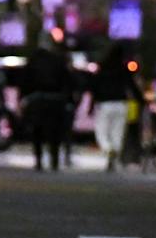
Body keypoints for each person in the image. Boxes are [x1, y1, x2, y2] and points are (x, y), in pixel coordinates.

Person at [21, 37, 76, 172]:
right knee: (54, 131)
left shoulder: (33, 60)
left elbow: (24, 81)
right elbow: (67, 80)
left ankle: (39, 160)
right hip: (55, 99)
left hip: (36, 98)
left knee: (37, 130)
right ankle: (54, 159)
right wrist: (68, 99)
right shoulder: (58, 60)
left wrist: (23, 97)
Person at [89, 44, 143, 172]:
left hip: (105, 104)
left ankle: (108, 149)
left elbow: (94, 87)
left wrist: (92, 105)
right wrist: (140, 100)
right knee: (118, 131)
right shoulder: (123, 69)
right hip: (121, 103)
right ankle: (116, 152)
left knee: (102, 130)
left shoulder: (102, 69)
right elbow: (132, 86)